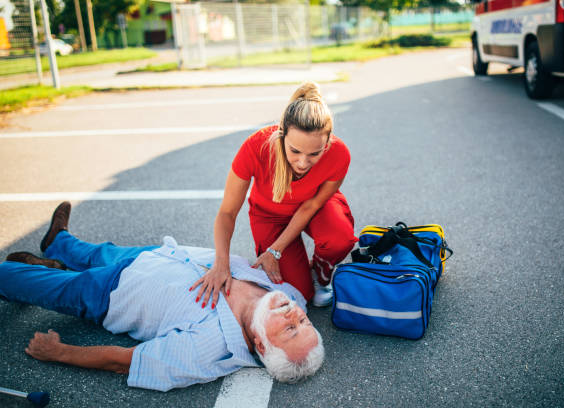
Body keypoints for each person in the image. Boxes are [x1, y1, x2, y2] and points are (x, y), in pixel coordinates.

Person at [0, 202, 324, 392]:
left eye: (290, 329)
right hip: (159, 255)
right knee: (96, 252)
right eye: (304, 321)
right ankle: (58, 244)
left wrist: (60, 353)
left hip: (111, 293)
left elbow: (126, 361)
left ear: (262, 345)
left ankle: (39, 272)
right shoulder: (287, 292)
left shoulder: (208, 351)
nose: (294, 313)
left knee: (18, 279)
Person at [192, 82, 357, 309]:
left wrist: (275, 250)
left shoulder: (339, 153)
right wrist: (221, 263)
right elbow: (228, 212)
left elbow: (311, 206)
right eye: (295, 151)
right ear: (282, 134)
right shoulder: (254, 147)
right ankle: (303, 276)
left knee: (339, 239)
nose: (303, 162)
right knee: (300, 294)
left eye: (314, 154)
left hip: (312, 207)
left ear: (327, 142)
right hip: (269, 216)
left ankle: (321, 273)